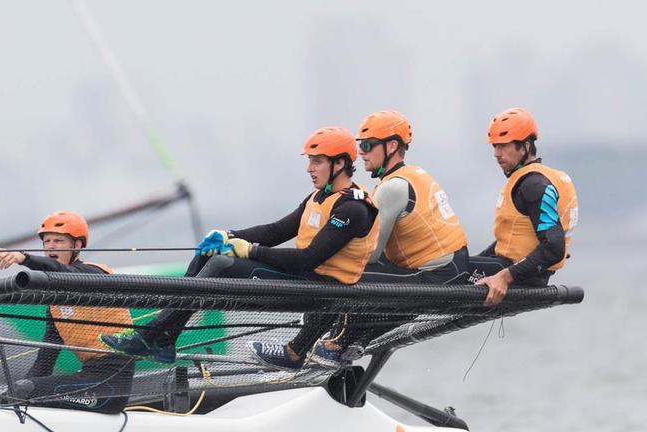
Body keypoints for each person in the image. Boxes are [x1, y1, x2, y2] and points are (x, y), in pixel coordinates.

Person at [101, 126, 379, 367]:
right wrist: (227, 235)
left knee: (222, 264)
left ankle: (149, 334)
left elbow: (308, 258)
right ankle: (163, 341)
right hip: (302, 279)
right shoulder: (318, 196)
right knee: (209, 254)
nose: (309, 168)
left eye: (317, 161)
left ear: (340, 164)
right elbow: (276, 231)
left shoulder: (353, 208)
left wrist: (247, 250)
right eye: (310, 161)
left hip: (320, 290)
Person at [249, 111, 469, 369]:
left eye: (367, 146)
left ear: (392, 146)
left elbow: (371, 253)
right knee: (346, 276)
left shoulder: (392, 187)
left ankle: (301, 350)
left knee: (342, 278)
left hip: (437, 274)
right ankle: (342, 343)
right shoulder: (414, 173)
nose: (361, 152)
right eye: (359, 146)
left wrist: (325, 254)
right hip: (451, 266)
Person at [0, 211, 135, 413]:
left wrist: (24, 259)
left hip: (109, 390)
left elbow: (65, 272)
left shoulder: (94, 274)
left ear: (76, 246)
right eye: (47, 241)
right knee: (16, 390)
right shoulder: (56, 304)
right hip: (87, 378)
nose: (50, 245)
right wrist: (13, 391)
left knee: (25, 390)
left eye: (58, 240)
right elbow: (45, 360)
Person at [471, 108, 578, 305]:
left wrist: (504, 277)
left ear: (526, 146)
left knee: (438, 272)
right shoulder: (533, 179)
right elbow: (511, 242)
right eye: (495, 146)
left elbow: (554, 248)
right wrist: (468, 263)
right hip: (515, 268)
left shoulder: (534, 184)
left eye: (503, 146)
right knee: (456, 266)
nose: (496, 154)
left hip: (521, 274)